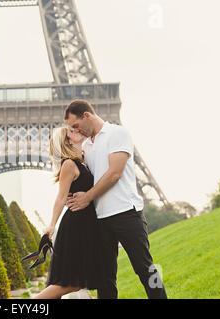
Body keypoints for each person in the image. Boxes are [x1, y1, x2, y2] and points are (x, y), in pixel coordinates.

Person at [64, 99, 167, 299]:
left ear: (87, 115)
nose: (76, 131)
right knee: (105, 278)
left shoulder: (117, 133)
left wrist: (87, 197)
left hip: (126, 213)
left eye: (76, 125)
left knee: (145, 268)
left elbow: (114, 173)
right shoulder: (86, 146)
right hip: (100, 219)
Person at [33, 126, 102, 299]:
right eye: (70, 132)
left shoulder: (84, 160)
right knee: (69, 283)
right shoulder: (70, 164)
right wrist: (51, 226)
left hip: (86, 225)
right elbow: (61, 197)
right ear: (67, 141)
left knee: (75, 282)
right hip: (76, 227)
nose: (75, 130)